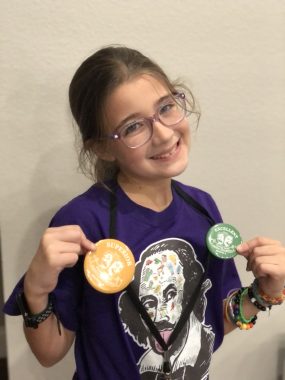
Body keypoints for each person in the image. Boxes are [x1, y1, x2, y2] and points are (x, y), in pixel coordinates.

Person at [3, 45, 285, 380]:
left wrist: (264, 292)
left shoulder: (203, 208)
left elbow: (212, 321)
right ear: (103, 147)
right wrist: (35, 289)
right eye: (134, 126)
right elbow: (49, 353)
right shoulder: (82, 221)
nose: (165, 133)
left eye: (166, 107)